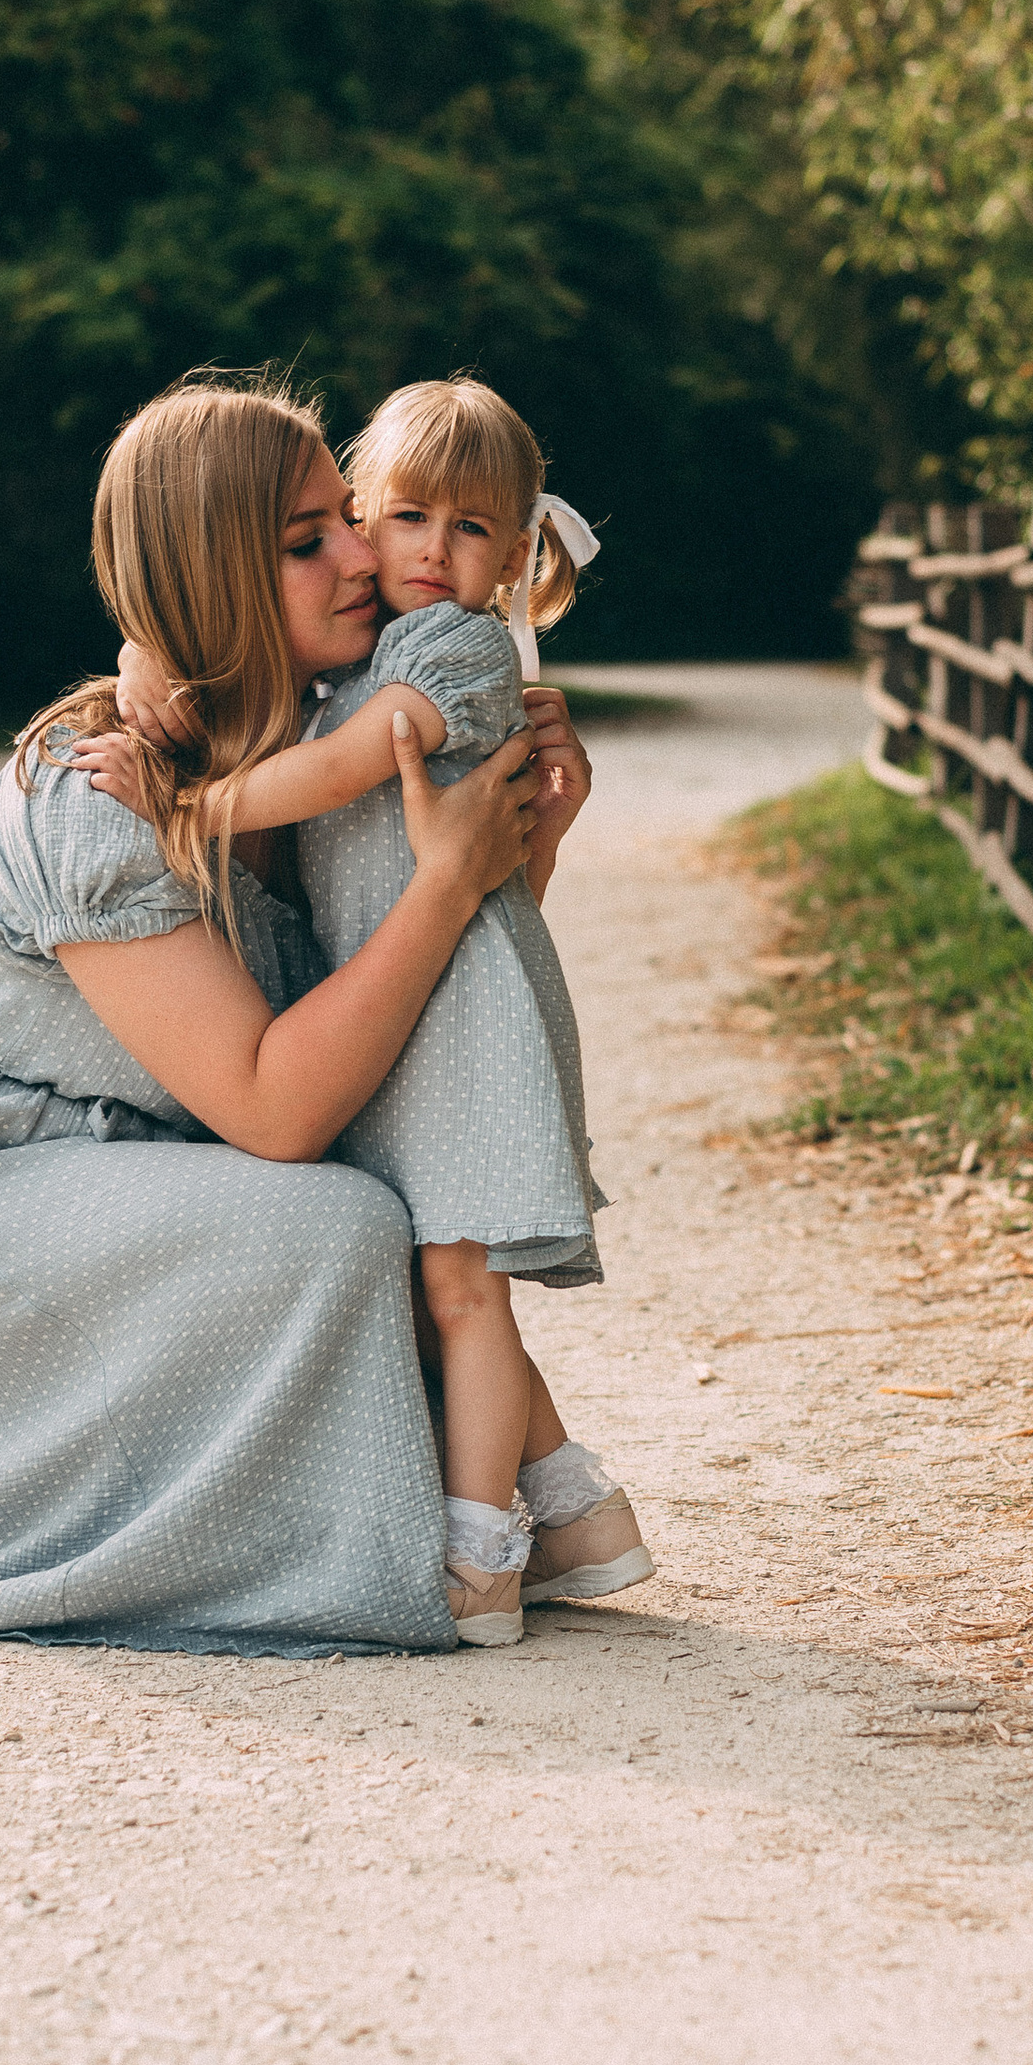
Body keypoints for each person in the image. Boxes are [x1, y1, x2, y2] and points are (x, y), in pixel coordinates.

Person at [0, 373, 571, 1659]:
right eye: (305, 542)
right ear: (209, 575)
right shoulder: (99, 788)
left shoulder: (313, 760)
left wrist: (519, 837)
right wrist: (446, 883)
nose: (363, 556)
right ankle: (385, 1539)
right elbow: (282, 1110)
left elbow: (448, 1019)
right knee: (344, 1221)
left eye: (348, 516)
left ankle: (459, 1515)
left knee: (400, 1214)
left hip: (124, 1184)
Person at [102, 378, 650, 1647]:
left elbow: (352, 770)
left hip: (459, 1012)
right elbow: (253, 664)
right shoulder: (365, 653)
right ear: (361, 514)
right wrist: (145, 657)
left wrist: (189, 810)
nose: (425, 554)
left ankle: (480, 1557)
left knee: (459, 1287)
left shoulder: (450, 650)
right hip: (426, 1002)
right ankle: (577, 1514)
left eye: (470, 532)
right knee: (435, 1277)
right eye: (401, 517)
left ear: (514, 555)